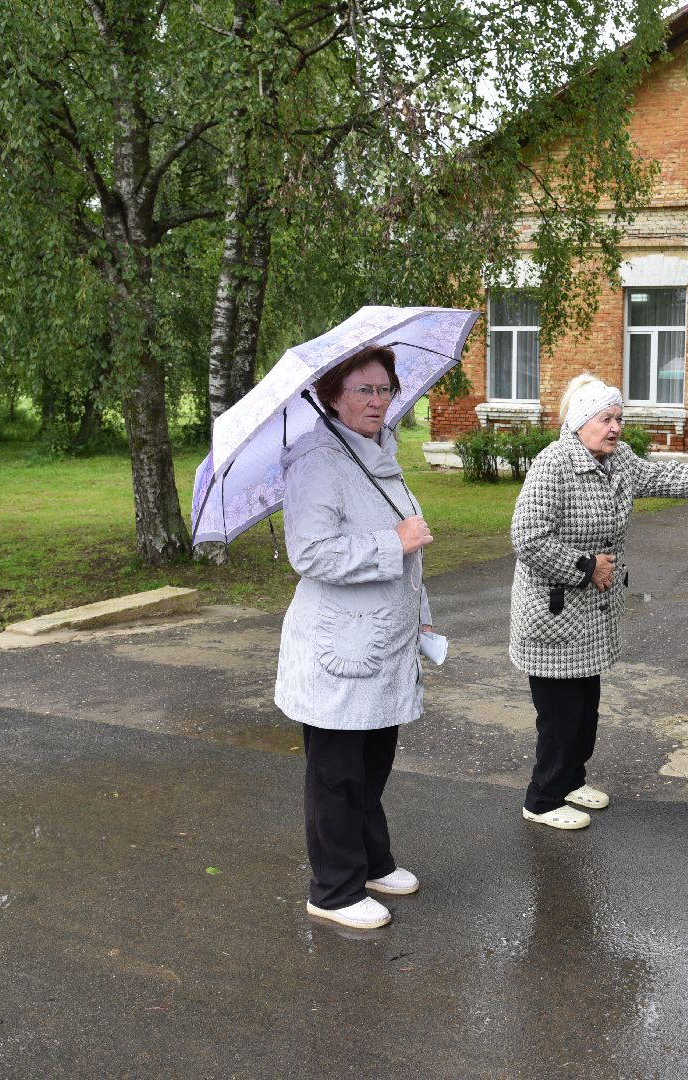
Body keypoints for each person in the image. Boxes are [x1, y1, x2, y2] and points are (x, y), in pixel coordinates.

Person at [509, 373, 688, 830]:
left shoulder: (617, 460)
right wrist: (586, 567)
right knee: (560, 718)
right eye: (606, 419)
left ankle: (570, 781)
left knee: (584, 713)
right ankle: (541, 799)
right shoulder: (554, 464)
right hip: (554, 614)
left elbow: (665, 474)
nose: (616, 427)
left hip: (592, 616)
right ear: (581, 422)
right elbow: (527, 538)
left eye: (620, 418)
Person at [275, 345, 435, 930]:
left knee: (372, 764)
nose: (377, 400)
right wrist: (395, 541)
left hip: (383, 642)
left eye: (384, 388)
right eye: (363, 390)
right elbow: (310, 554)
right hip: (337, 649)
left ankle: (370, 862)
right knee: (337, 773)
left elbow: (405, 544)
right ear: (332, 397)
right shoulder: (318, 461)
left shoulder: (375, 454)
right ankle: (333, 889)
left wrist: (421, 613)